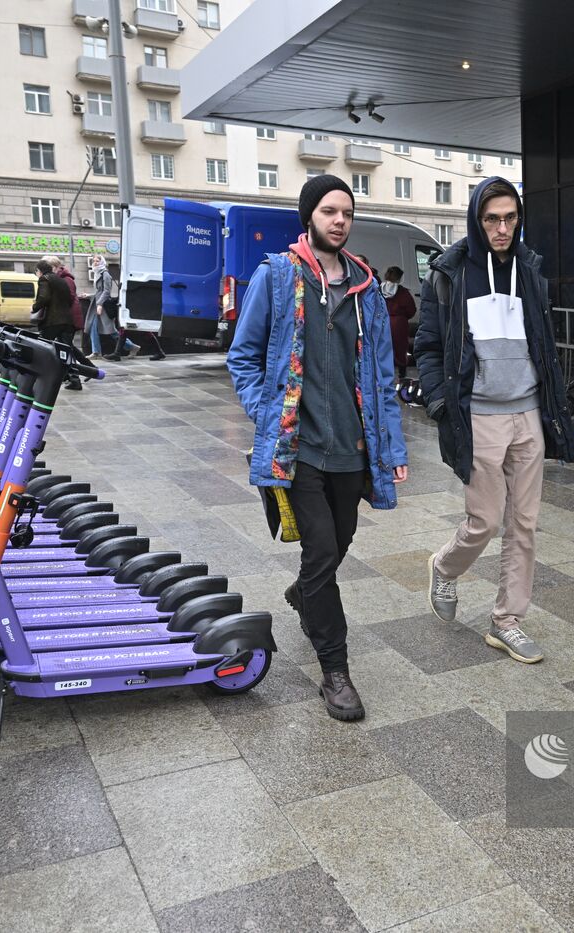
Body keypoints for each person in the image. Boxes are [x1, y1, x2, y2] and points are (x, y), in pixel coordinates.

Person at [226, 174, 408, 721]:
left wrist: (392, 448)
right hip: (298, 448)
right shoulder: (278, 276)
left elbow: (380, 374)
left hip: (351, 446)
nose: (339, 220)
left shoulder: (366, 287)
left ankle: (306, 594)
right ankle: (335, 671)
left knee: (340, 542)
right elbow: (243, 356)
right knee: (322, 550)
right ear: (309, 216)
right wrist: (268, 413)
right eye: (329, 211)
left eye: (346, 213)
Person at [415, 177, 574, 664]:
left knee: (524, 524)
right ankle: (444, 567)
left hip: (527, 412)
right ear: (476, 219)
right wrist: (441, 403)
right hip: (478, 415)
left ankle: (507, 620)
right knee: (483, 522)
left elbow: (542, 341)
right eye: (492, 219)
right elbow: (426, 345)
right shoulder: (449, 273)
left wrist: (555, 401)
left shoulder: (531, 270)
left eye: (510, 218)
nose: (502, 228)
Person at [32, 260, 83, 391]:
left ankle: (41, 377)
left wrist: (34, 307)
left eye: (36, 271)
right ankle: (75, 379)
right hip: (67, 321)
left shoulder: (45, 279)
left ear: (40, 270)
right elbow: (70, 298)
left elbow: (43, 298)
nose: (36, 274)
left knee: (42, 348)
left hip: (52, 321)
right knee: (67, 350)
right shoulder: (61, 280)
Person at [381, 266, 416, 381]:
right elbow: (411, 309)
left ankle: (384, 372)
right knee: (400, 348)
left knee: (384, 347)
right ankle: (402, 373)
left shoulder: (379, 289)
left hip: (383, 321)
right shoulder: (403, 292)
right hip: (399, 324)